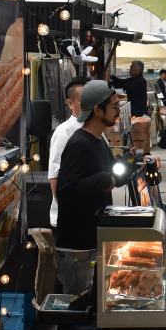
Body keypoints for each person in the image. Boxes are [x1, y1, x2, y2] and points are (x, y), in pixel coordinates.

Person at [54, 81, 121, 296]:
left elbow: (113, 174)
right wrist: (101, 178)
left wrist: (135, 163)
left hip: (93, 240)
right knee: (77, 306)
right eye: (114, 107)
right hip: (78, 247)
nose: (118, 112)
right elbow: (65, 191)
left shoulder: (98, 140)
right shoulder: (79, 143)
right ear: (97, 110)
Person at [48, 76, 91, 228]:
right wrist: (67, 210)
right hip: (70, 218)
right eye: (83, 100)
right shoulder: (64, 131)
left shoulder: (93, 126)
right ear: (70, 103)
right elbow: (55, 174)